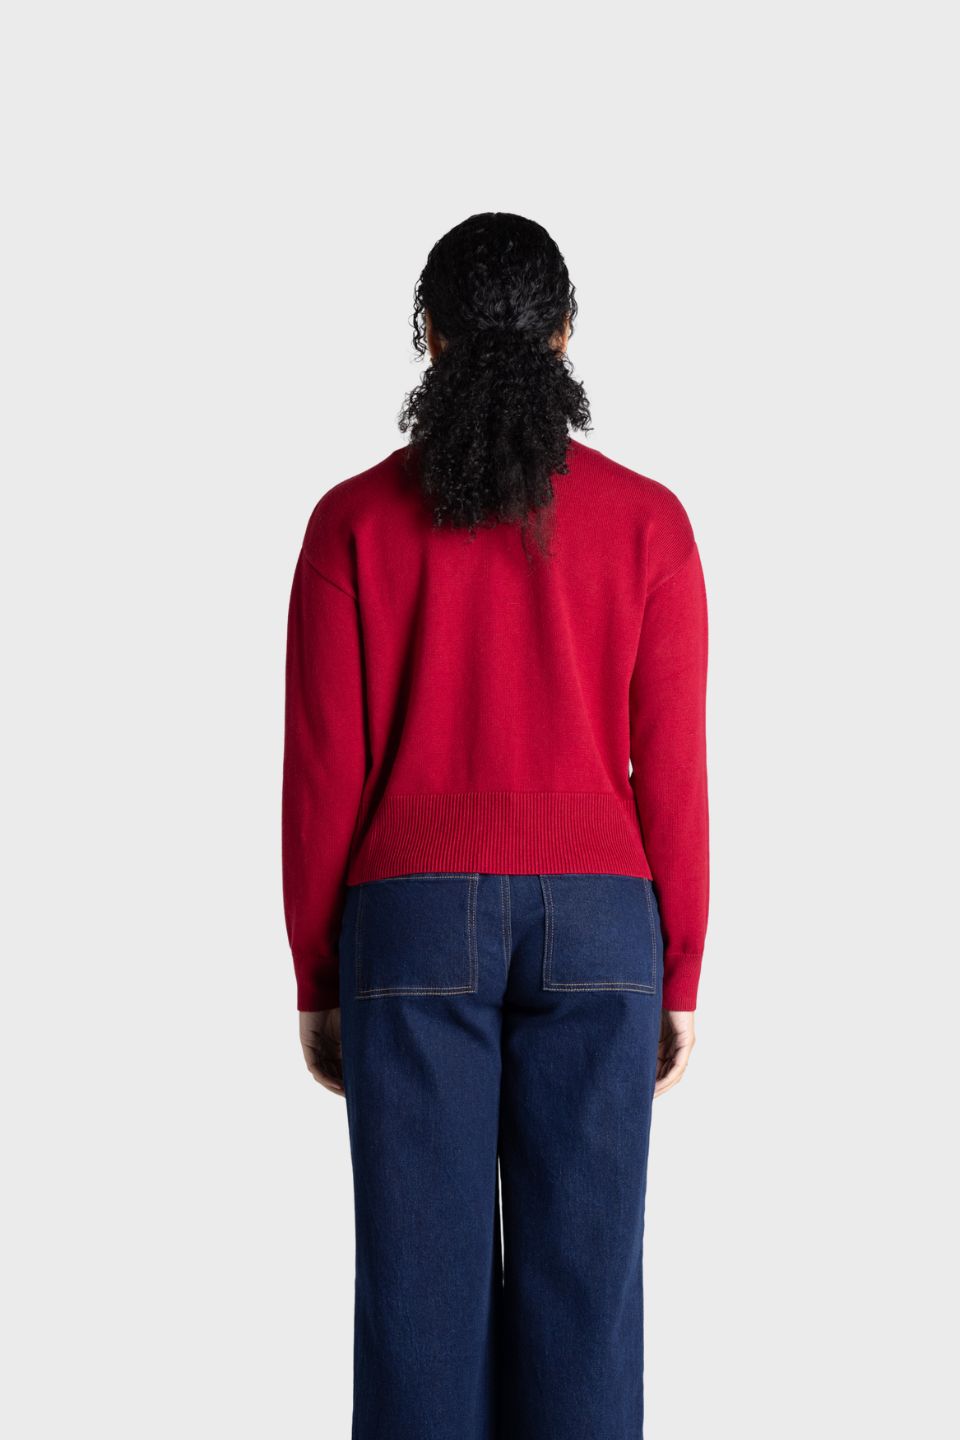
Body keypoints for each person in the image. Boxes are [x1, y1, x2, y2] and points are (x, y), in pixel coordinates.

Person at [282, 211, 709, 1440]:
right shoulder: (650, 522)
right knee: (587, 1301)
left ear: (429, 337)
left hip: (410, 925)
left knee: (418, 1300)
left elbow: (324, 774)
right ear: (567, 337)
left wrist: (318, 976)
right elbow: (673, 768)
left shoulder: (352, 523)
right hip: (603, 923)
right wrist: (682, 968)